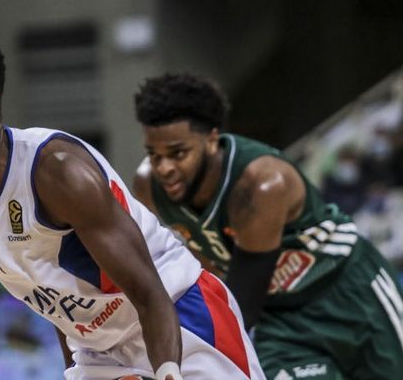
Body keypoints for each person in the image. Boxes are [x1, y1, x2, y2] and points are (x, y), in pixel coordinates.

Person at [0, 24, 264, 380]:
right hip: (99, 353)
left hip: (179, 315)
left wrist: (168, 373)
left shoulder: (56, 172)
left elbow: (149, 293)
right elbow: (56, 303)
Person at [131, 72, 403, 379]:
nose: (164, 167)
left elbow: (240, 306)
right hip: (281, 319)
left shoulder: (261, 184)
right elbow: (201, 267)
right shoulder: (147, 186)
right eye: (154, 155)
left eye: (178, 153)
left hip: (349, 292)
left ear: (211, 140)